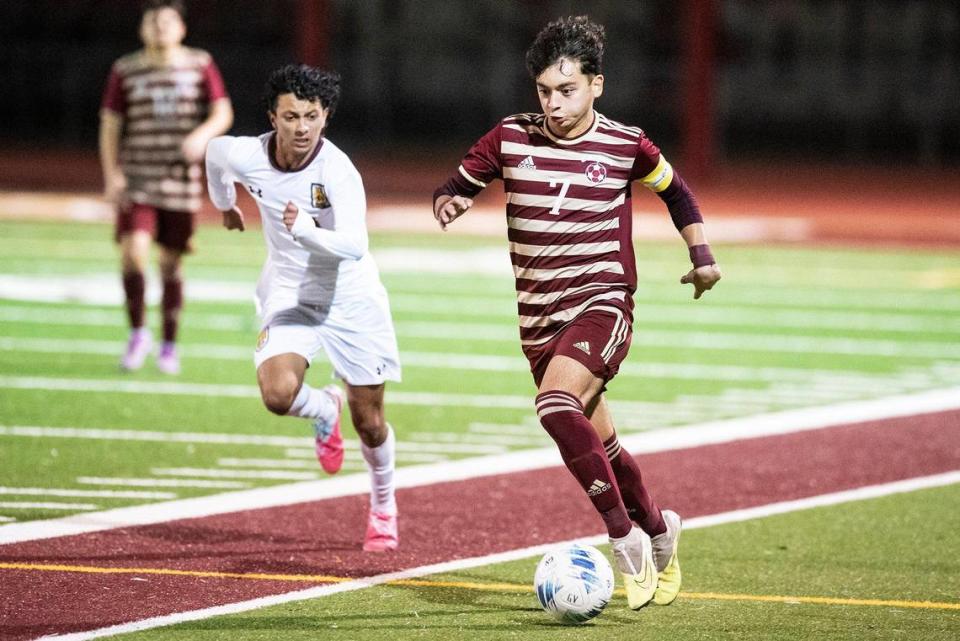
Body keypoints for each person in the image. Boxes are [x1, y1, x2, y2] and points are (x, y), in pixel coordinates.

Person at [432, 16, 722, 609]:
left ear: (597, 85)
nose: (554, 103)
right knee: (602, 441)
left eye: (566, 90)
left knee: (555, 405)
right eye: (544, 91)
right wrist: (452, 201)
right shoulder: (511, 137)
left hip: (601, 303)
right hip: (539, 321)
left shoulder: (625, 143)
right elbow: (453, 184)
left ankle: (624, 540)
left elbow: (676, 191)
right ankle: (661, 533)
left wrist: (703, 255)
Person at [204, 64, 401, 552]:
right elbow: (213, 154)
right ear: (273, 116)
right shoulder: (247, 154)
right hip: (292, 291)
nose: (301, 128)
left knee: (370, 422)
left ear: (325, 116)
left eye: (311, 116)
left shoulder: (337, 171)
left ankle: (383, 506)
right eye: (290, 116)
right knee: (276, 393)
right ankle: (322, 409)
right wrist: (225, 202)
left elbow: (355, 244)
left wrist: (307, 231)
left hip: (350, 297)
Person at [99, 0, 233, 375]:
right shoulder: (126, 69)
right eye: (153, 20)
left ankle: (169, 343)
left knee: (171, 263)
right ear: (142, 28)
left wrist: (202, 134)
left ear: (182, 28)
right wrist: (112, 175)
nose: (160, 26)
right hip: (138, 177)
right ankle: (139, 332)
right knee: (133, 253)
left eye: (168, 20)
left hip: (180, 181)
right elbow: (110, 124)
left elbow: (222, 111)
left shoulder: (200, 64)